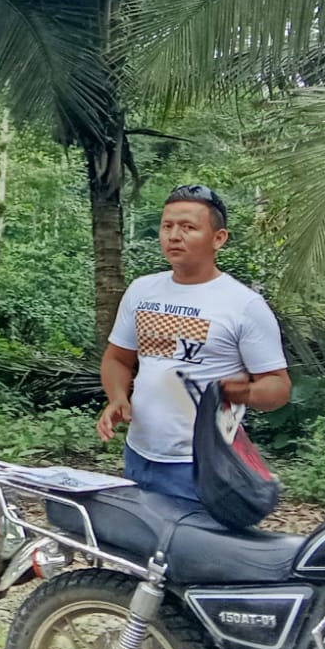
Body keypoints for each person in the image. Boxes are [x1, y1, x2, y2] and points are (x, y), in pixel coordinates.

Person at [97, 184, 291, 504]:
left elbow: (278, 387)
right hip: (139, 455)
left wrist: (242, 392)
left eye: (188, 227)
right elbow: (117, 359)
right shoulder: (142, 291)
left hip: (203, 463)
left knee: (196, 538)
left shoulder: (244, 305)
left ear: (219, 238)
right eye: (167, 226)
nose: (174, 236)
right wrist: (117, 397)